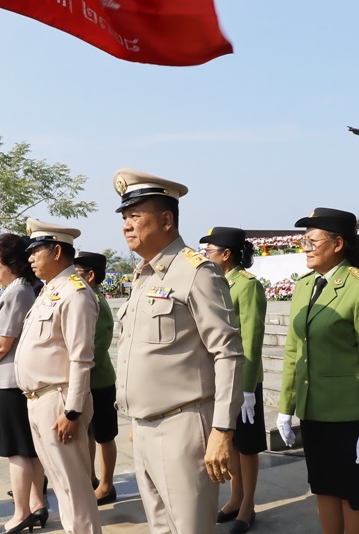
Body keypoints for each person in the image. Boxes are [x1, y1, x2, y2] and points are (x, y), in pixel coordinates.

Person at [113, 168, 243, 534]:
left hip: (184, 427)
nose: (127, 225)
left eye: (136, 216)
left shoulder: (197, 272)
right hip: (145, 426)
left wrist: (222, 430)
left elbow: (228, 353)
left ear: (167, 220)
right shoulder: (145, 276)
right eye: (125, 217)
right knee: (161, 529)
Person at [276, 207, 359, 534]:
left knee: (354, 496)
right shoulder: (304, 287)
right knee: (324, 488)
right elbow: (294, 351)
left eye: (312, 241)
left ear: (338, 244)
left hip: (350, 416)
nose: (306, 248)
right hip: (315, 412)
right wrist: (287, 407)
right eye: (304, 241)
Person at [15, 218, 101, 534]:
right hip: (40, 400)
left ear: (56, 250)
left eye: (36, 251)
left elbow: (81, 358)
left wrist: (73, 411)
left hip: (60, 402)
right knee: (63, 488)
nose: (30, 258)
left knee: (75, 489)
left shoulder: (75, 293)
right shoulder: (52, 290)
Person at [0, 233, 48, 534]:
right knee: (28, 448)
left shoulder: (18, 291)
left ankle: (21, 514)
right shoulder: (19, 289)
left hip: (10, 381)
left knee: (16, 450)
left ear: (10, 262)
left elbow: (3, 342)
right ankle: (36, 504)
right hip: (15, 379)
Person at [199, 227, 267, 534]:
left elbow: (251, 339)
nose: (204, 255)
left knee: (247, 446)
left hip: (243, 380)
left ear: (226, 254)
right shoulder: (215, 282)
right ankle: (235, 498)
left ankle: (248, 505)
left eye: (209, 251)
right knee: (231, 443)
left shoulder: (247, 286)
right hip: (221, 378)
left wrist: (248, 387)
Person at [72, 251, 118, 506]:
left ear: (91, 276)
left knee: (104, 435)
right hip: (83, 382)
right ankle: (89, 479)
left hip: (98, 381)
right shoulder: (83, 300)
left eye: (77, 274)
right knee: (87, 434)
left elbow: (97, 347)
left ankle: (107, 485)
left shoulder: (98, 303)